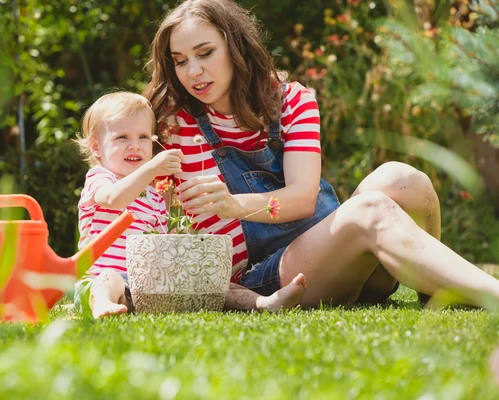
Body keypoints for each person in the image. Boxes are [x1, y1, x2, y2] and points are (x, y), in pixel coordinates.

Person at [142, 0, 499, 309]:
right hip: (273, 278)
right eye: (180, 60)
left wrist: (234, 205)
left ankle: (434, 291)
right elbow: (122, 179)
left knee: (404, 179)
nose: (193, 72)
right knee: (369, 211)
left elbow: (301, 201)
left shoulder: (293, 101)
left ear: (236, 47)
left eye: (205, 53)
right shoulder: (174, 122)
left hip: (341, 252)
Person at [74, 91, 308, 318]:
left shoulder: (153, 195)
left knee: (210, 280)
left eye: (143, 137)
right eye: (122, 137)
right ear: (96, 147)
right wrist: (152, 167)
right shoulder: (101, 178)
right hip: (97, 281)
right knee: (110, 278)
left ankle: (263, 302)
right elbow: (115, 199)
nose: (135, 145)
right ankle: (103, 304)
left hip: (144, 285)